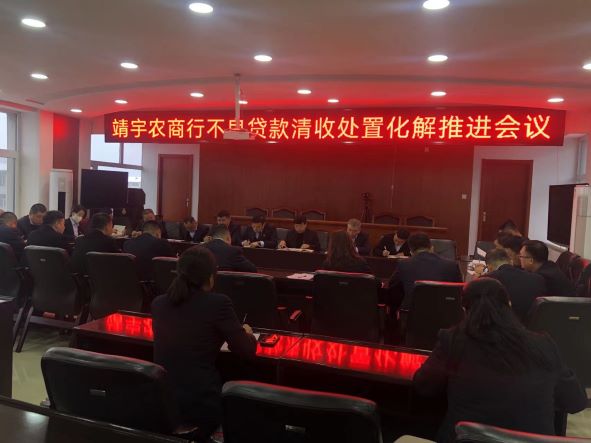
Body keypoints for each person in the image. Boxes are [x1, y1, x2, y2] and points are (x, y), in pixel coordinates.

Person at [414, 278, 587, 443]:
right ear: (509, 305)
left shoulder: (452, 341)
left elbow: (424, 386)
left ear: (464, 310)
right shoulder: (543, 344)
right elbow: (576, 401)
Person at [151, 246, 257, 438]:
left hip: (163, 399)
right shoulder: (218, 303)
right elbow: (246, 350)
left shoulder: (158, 303)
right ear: (210, 277)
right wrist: (246, 333)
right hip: (199, 403)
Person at [388, 233, 463, 311]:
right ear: (431, 248)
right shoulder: (451, 265)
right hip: (444, 313)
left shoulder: (403, 265)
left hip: (412, 313)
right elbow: (459, 291)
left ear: (411, 251)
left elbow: (392, 289)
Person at [485, 248, 546, 322]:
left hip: (504, 325)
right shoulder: (538, 279)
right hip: (533, 324)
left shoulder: (488, 280)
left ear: (489, 267)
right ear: (511, 262)